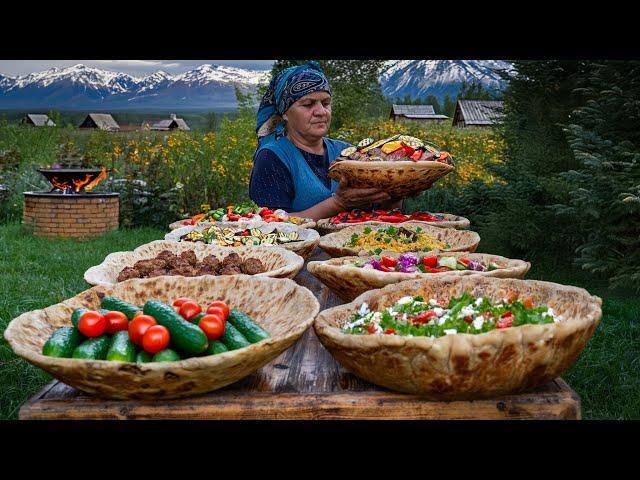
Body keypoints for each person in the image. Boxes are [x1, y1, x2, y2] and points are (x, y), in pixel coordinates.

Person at [249, 61, 402, 221]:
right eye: (308, 104)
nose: (321, 112)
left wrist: (397, 193)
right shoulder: (272, 158)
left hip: (357, 244)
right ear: (285, 113)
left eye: (326, 103)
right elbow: (268, 224)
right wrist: (338, 204)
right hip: (303, 246)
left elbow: (381, 212)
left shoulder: (348, 153)